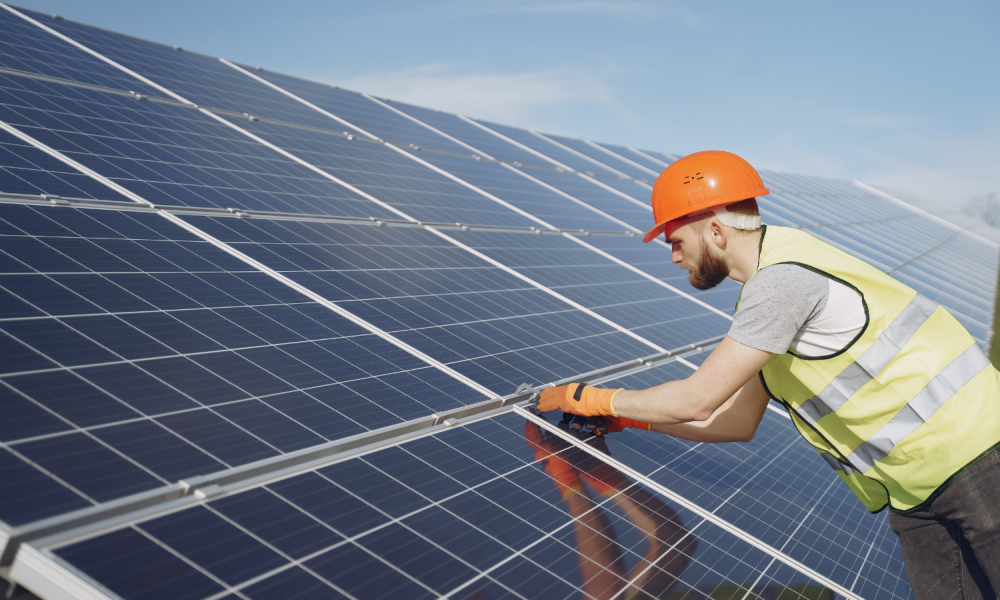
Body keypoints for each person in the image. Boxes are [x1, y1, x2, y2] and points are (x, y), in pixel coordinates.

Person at [535, 150, 1000, 599]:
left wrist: (590, 398)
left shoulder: (782, 284)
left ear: (714, 230)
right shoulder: (771, 291)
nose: (674, 257)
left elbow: (696, 399)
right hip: (915, 488)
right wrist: (631, 421)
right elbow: (733, 423)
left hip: (978, 459)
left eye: (676, 241)